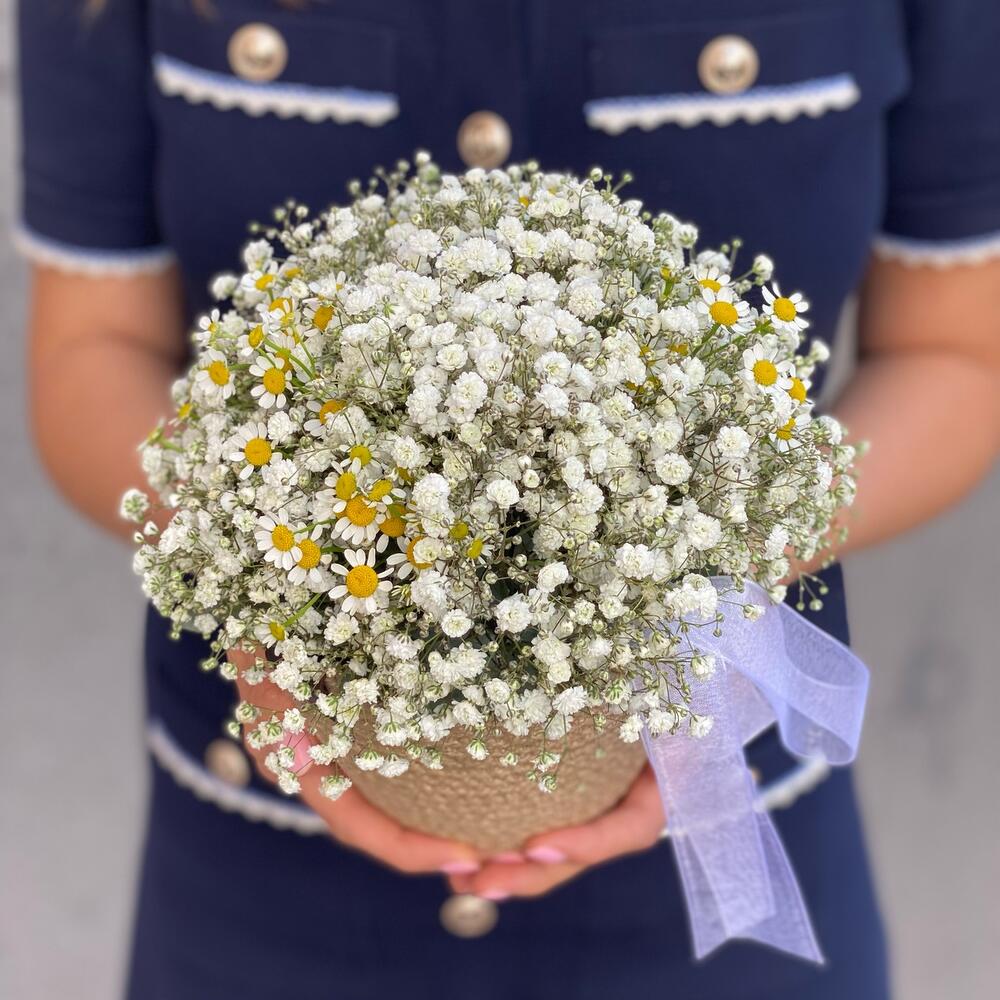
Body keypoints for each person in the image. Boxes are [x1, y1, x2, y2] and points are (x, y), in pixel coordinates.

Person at [17, 1, 1000, 997]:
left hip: (711, 870)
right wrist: (265, 585)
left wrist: (715, 569)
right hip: (258, 893)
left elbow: (954, 354)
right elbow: (91, 351)